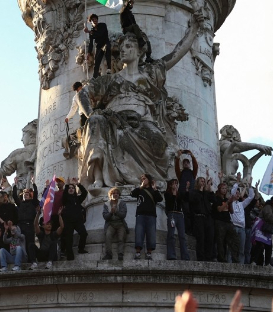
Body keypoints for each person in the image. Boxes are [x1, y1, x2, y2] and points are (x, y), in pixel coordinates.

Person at [78, 2, 201, 188]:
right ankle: (98, 179)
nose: (123, 50)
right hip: (114, 121)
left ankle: (146, 181)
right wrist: (91, 113)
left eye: (128, 46)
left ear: (138, 50)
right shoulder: (111, 79)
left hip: (143, 122)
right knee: (96, 123)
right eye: (122, 47)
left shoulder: (151, 72)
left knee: (155, 140)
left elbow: (176, 55)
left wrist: (194, 30)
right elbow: (83, 94)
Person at [130, 174, 163, 260]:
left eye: (144, 178)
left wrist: (155, 188)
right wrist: (141, 186)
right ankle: (138, 252)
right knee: (139, 233)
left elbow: (160, 199)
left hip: (151, 215)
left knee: (151, 234)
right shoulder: (140, 190)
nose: (143, 180)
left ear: (149, 179)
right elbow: (132, 194)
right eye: (141, 179)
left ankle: (149, 252)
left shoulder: (153, 190)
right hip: (140, 214)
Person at [13, 178, 39, 269]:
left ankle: (32, 261)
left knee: (30, 243)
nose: (26, 195)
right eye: (24, 194)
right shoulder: (20, 204)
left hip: (29, 225)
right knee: (19, 244)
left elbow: (36, 195)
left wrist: (33, 183)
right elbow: (14, 197)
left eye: (27, 194)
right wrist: (15, 185)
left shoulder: (33, 203)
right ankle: (20, 261)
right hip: (21, 226)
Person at [61, 178, 89, 260]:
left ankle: (81, 249)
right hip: (68, 222)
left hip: (78, 221)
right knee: (69, 239)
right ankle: (70, 256)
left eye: (72, 188)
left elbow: (85, 193)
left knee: (84, 233)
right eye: (69, 188)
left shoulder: (77, 199)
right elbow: (64, 195)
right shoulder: (65, 199)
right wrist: (67, 185)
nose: (71, 189)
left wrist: (78, 184)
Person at [189, 176, 214, 261]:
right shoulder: (194, 192)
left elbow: (213, 199)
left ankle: (209, 257)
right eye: (201, 181)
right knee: (201, 238)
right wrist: (200, 191)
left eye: (204, 181)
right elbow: (194, 201)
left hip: (207, 218)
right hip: (198, 217)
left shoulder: (205, 193)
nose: (203, 182)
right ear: (197, 182)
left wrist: (209, 188)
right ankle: (201, 258)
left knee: (209, 238)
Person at [164, 179, 189, 260]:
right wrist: (174, 192)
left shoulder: (179, 194)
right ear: (170, 185)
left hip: (179, 214)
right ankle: (171, 255)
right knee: (171, 235)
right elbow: (171, 202)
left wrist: (187, 189)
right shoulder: (167, 194)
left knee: (182, 236)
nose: (175, 185)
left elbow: (186, 198)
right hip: (172, 214)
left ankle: (185, 256)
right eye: (174, 184)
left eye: (176, 184)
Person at [212, 182, 238, 263]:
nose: (224, 190)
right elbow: (219, 209)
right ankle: (221, 258)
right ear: (219, 189)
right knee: (220, 241)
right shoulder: (216, 198)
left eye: (225, 188)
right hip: (220, 221)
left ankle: (235, 258)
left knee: (233, 240)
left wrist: (230, 203)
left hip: (228, 221)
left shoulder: (227, 199)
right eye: (222, 188)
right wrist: (227, 202)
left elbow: (232, 211)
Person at [230, 183, 255, 264]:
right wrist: (236, 183)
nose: (237, 194)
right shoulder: (230, 203)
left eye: (238, 193)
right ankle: (229, 264)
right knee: (231, 248)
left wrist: (250, 187)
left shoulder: (241, 204)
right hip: (233, 227)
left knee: (242, 250)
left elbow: (251, 197)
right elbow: (232, 192)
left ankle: (241, 265)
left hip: (242, 229)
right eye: (236, 193)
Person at [102, 187, 128, 260]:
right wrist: (111, 213)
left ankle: (120, 254)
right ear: (110, 195)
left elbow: (123, 215)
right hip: (110, 223)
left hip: (120, 223)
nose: (115, 194)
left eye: (117, 193)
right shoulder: (106, 204)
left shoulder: (122, 203)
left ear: (119, 195)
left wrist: (116, 212)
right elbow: (105, 216)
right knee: (108, 236)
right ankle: (108, 254)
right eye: (113, 193)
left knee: (121, 238)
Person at [84, 14, 111, 78]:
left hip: (105, 43)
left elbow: (101, 34)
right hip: (99, 46)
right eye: (93, 19)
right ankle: (95, 76)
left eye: (95, 19)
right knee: (96, 61)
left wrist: (89, 32)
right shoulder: (92, 31)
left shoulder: (103, 25)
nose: (95, 20)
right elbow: (91, 43)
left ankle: (109, 68)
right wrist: (88, 53)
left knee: (107, 48)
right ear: (91, 22)